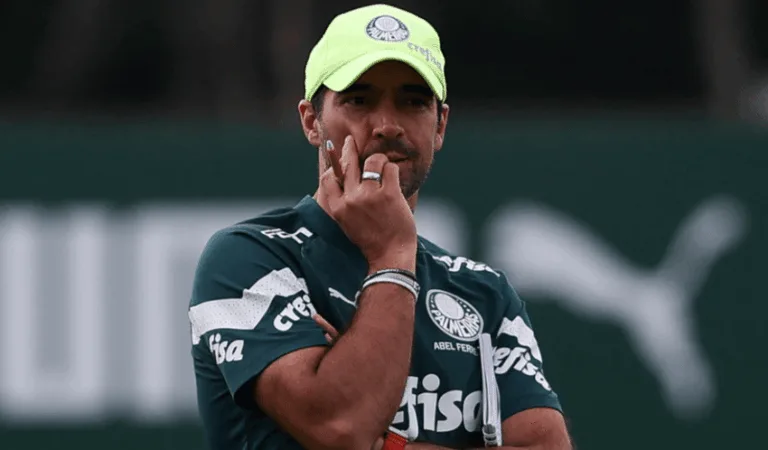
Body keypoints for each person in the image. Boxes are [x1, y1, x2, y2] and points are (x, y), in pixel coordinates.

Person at [188, 4, 572, 449]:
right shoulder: (248, 258)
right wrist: (392, 256)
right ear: (311, 121)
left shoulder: (484, 293)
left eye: (413, 101)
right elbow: (342, 428)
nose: (388, 125)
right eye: (359, 100)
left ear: (440, 125)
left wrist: (389, 444)